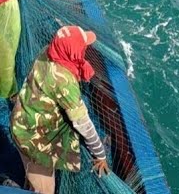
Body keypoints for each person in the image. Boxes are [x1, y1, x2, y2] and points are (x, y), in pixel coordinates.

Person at [11, 26, 111, 194]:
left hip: (22, 117)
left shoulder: (48, 52)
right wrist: (100, 154)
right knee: (46, 190)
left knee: (32, 176)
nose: (85, 49)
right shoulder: (64, 82)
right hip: (31, 139)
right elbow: (83, 124)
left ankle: (29, 183)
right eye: (83, 46)